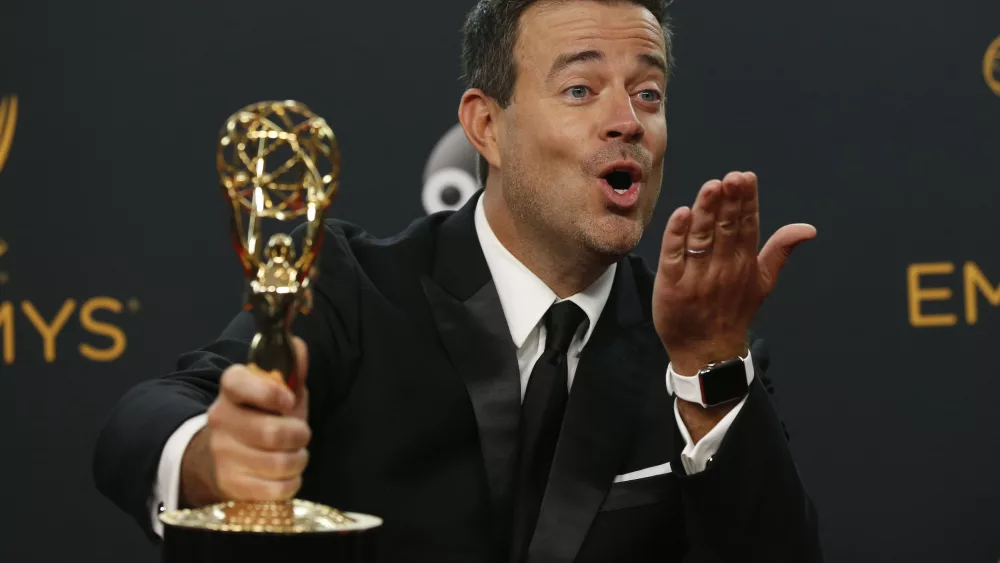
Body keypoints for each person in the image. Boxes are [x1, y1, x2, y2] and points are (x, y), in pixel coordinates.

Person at [93, 1, 823, 561]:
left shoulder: (696, 342)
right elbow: (143, 416)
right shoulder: (352, 288)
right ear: (486, 128)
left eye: (649, 93)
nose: (625, 120)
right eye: (579, 88)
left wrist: (710, 373)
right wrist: (205, 456)